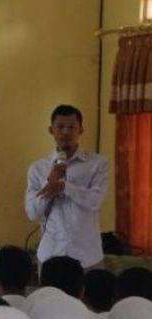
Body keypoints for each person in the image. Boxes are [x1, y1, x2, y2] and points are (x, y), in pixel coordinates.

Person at [25, 105, 109, 269]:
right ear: (51, 130)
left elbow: (95, 201)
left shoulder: (97, 164)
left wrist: (65, 187)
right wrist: (50, 181)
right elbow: (32, 213)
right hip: (50, 256)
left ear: (81, 130)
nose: (65, 132)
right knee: (51, 296)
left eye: (71, 127)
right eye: (60, 127)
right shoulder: (38, 168)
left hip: (88, 257)